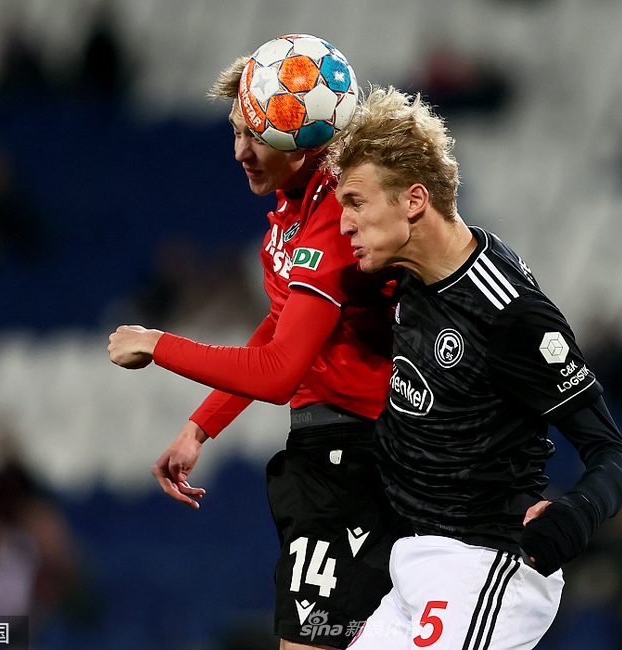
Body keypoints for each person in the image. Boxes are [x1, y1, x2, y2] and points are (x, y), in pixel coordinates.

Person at [107, 52, 407, 650]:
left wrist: (157, 343)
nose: (239, 151)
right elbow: (278, 327)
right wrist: (200, 427)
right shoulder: (293, 217)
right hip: (342, 456)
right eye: (236, 132)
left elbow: (277, 373)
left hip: (354, 461)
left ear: (303, 136)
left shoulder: (337, 218)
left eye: (255, 135)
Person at [326, 87, 622, 649]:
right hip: (413, 563)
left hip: (486, 565)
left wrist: (575, 515)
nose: (344, 222)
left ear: (414, 200)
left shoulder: (511, 314)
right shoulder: (405, 277)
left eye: (355, 202)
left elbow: (613, 453)